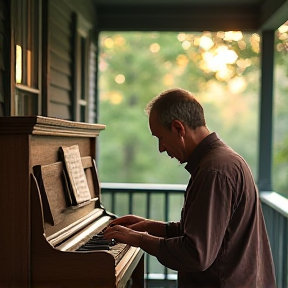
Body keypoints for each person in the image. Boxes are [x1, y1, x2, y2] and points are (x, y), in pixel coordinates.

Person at [104, 88, 277, 288]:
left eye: (160, 137)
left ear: (178, 129)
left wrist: (139, 239)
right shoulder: (220, 161)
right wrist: (149, 226)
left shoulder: (214, 171)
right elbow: (204, 233)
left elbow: (196, 254)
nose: (161, 148)